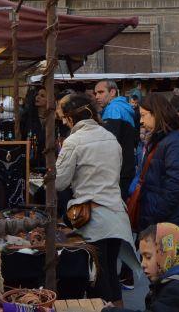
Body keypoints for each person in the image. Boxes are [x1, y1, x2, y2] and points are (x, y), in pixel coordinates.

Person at [56, 92, 136, 306]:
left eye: (64, 118)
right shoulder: (110, 137)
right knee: (110, 273)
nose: (64, 122)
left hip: (95, 219)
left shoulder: (73, 141)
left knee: (98, 279)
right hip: (117, 215)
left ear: (71, 117)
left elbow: (59, 183)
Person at [132, 93, 179, 248]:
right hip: (162, 219)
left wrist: (155, 216)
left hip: (171, 222)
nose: (141, 121)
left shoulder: (176, 141)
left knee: (169, 270)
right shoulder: (162, 139)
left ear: (156, 113)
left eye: (143, 115)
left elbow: (174, 185)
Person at [113, 223, 179, 312]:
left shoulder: (178, 291)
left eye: (148, 257)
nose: (142, 264)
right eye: (142, 257)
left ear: (168, 254)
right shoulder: (177, 283)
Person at [94, 79, 138, 197]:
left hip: (118, 171)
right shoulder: (123, 107)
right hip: (127, 167)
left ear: (112, 92)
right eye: (95, 93)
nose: (97, 96)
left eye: (101, 92)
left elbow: (109, 142)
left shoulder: (113, 109)